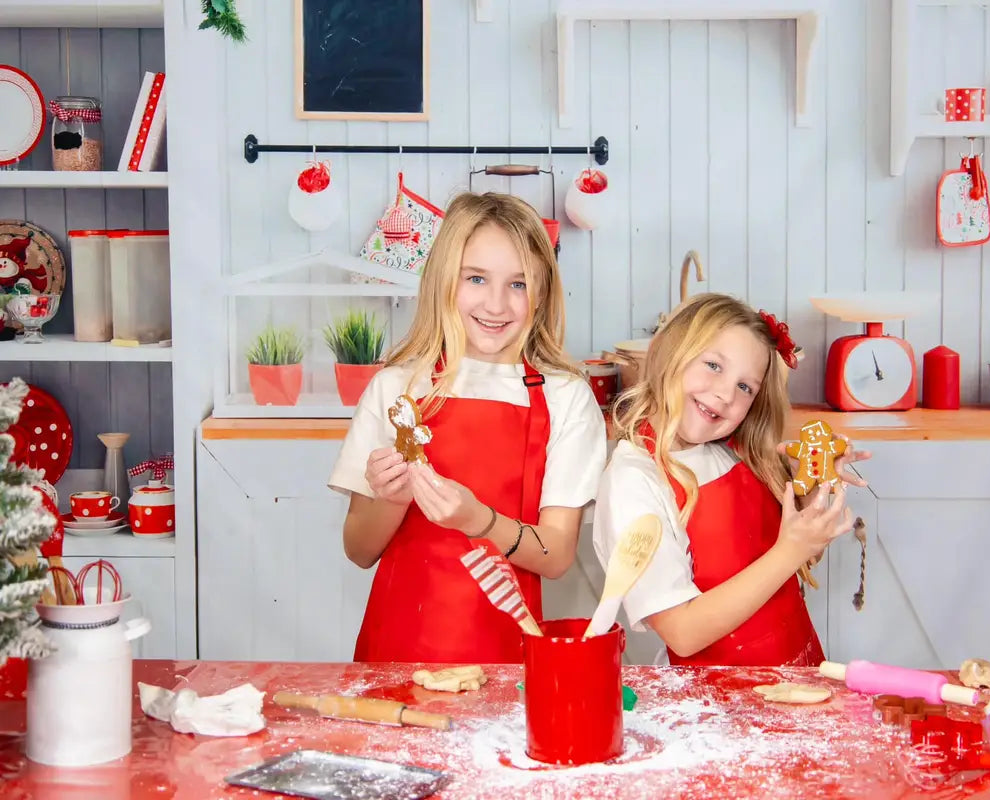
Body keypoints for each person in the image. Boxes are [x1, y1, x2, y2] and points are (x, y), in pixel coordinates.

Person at [329, 191, 606, 663]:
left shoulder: (566, 398)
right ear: (443, 282)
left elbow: (557, 555)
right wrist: (392, 499)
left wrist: (478, 521)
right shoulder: (398, 389)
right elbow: (359, 549)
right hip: (398, 652)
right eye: (476, 278)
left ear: (542, 294)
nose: (496, 304)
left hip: (508, 657)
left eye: (518, 284)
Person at [592, 292, 869, 666]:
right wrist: (791, 550)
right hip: (719, 704)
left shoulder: (735, 450)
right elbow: (682, 632)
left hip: (798, 673)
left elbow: (799, 555)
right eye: (713, 365)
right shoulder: (633, 481)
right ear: (669, 353)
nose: (724, 393)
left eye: (745, 387)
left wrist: (815, 479)